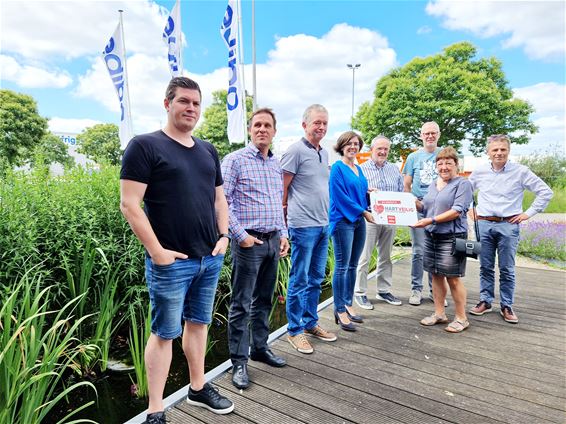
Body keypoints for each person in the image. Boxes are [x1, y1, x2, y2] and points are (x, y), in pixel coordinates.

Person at [120, 77, 234, 424]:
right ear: (167, 103)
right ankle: (155, 409)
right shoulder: (144, 146)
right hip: (171, 263)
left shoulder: (208, 150)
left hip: (208, 258)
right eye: (184, 101)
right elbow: (129, 205)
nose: (191, 108)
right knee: (164, 333)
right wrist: (157, 252)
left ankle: (198, 388)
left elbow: (219, 197)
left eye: (196, 103)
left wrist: (224, 236)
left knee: (198, 325)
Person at [221, 108, 289, 390]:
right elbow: (221, 203)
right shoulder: (234, 160)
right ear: (250, 129)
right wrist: (241, 236)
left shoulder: (276, 165)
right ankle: (239, 361)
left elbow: (277, 202)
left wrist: (283, 234)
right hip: (249, 243)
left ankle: (260, 347)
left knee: (264, 299)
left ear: (274, 131)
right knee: (241, 303)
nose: (262, 129)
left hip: (273, 241)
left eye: (267, 125)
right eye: (257, 125)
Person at [468, 134, 552, 324]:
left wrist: (528, 214)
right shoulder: (480, 172)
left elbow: (545, 192)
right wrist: (468, 210)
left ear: (508, 151)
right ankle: (485, 301)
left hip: (508, 225)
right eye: (495, 150)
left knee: (507, 268)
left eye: (502, 149)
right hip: (484, 224)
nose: (499, 153)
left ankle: (506, 305)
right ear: (488, 152)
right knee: (485, 266)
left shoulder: (521, 171)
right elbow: (465, 191)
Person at [281, 104, 337, 354]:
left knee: (315, 278)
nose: (321, 127)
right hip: (302, 226)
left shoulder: (324, 153)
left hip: (322, 225)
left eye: (324, 123)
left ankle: (310, 322)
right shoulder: (294, 151)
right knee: (299, 279)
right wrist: (283, 224)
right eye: (317, 123)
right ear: (304, 125)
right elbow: (281, 191)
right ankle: (294, 330)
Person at [412, 147, 473, 333]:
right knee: (435, 275)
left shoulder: (463, 184)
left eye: (448, 163)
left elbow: (457, 210)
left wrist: (431, 220)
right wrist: (412, 202)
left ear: (456, 165)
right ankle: (439, 314)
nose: (444, 167)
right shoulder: (433, 184)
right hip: (431, 235)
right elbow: (426, 208)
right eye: (440, 164)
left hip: (452, 237)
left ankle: (462, 318)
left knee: (453, 279)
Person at [329, 131, 375, 331]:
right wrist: (364, 211)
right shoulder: (337, 168)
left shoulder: (358, 168)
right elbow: (340, 197)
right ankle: (339, 309)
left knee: (352, 265)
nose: (353, 147)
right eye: (349, 144)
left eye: (356, 144)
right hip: (343, 221)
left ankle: (348, 303)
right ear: (342, 146)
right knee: (341, 266)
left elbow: (356, 191)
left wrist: (367, 193)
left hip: (358, 220)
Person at [354, 136, 404, 310]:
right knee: (364, 256)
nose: (383, 152)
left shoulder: (394, 169)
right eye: (379, 149)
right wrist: (366, 192)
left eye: (386, 149)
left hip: (390, 219)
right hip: (370, 217)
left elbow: (400, 193)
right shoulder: (361, 169)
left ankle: (383, 290)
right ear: (372, 149)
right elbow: (355, 194)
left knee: (386, 256)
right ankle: (360, 292)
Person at [403, 121, 442, 305]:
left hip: (440, 212)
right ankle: (416, 289)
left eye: (433, 133)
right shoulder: (413, 157)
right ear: (421, 135)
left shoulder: (444, 154)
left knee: (437, 251)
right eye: (426, 133)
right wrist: (413, 201)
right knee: (419, 251)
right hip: (418, 210)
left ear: (438, 135)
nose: (430, 136)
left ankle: (436, 291)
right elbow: (406, 184)